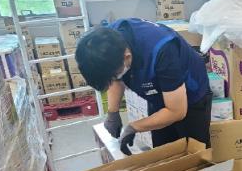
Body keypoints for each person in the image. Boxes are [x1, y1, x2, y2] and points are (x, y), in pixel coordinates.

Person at [76, 18, 211, 154]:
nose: (113, 81)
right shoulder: (105, 43)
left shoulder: (163, 51)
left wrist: (134, 127)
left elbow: (176, 111)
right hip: (157, 93)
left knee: (195, 153)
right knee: (163, 152)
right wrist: (113, 113)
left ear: (127, 57)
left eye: (114, 77)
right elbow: (115, 77)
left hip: (191, 94)